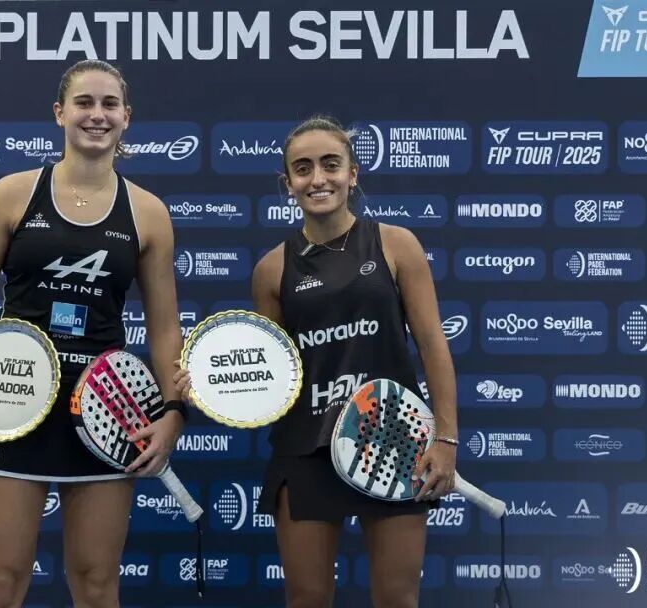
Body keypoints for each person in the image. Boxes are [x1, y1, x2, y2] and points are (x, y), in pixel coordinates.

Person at [0, 59, 188, 608]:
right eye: (84, 103)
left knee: (96, 584)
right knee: (0, 581)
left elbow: (165, 328)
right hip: (8, 398)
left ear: (127, 116)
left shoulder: (149, 213)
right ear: (59, 113)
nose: (97, 115)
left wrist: (173, 412)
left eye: (109, 104)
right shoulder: (12, 194)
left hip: (104, 411)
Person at [176, 116, 459, 608]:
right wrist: (213, 392)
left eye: (331, 164)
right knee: (307, 599)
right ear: (288, 183)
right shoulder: (271, 269)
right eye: (302, 169)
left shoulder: (396, 244)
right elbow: (271, 376)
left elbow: (434, 345)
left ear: (353, 173)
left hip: (393, 440)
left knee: (397, 598)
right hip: (305, 450)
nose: (318, 178)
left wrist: (447, 439)